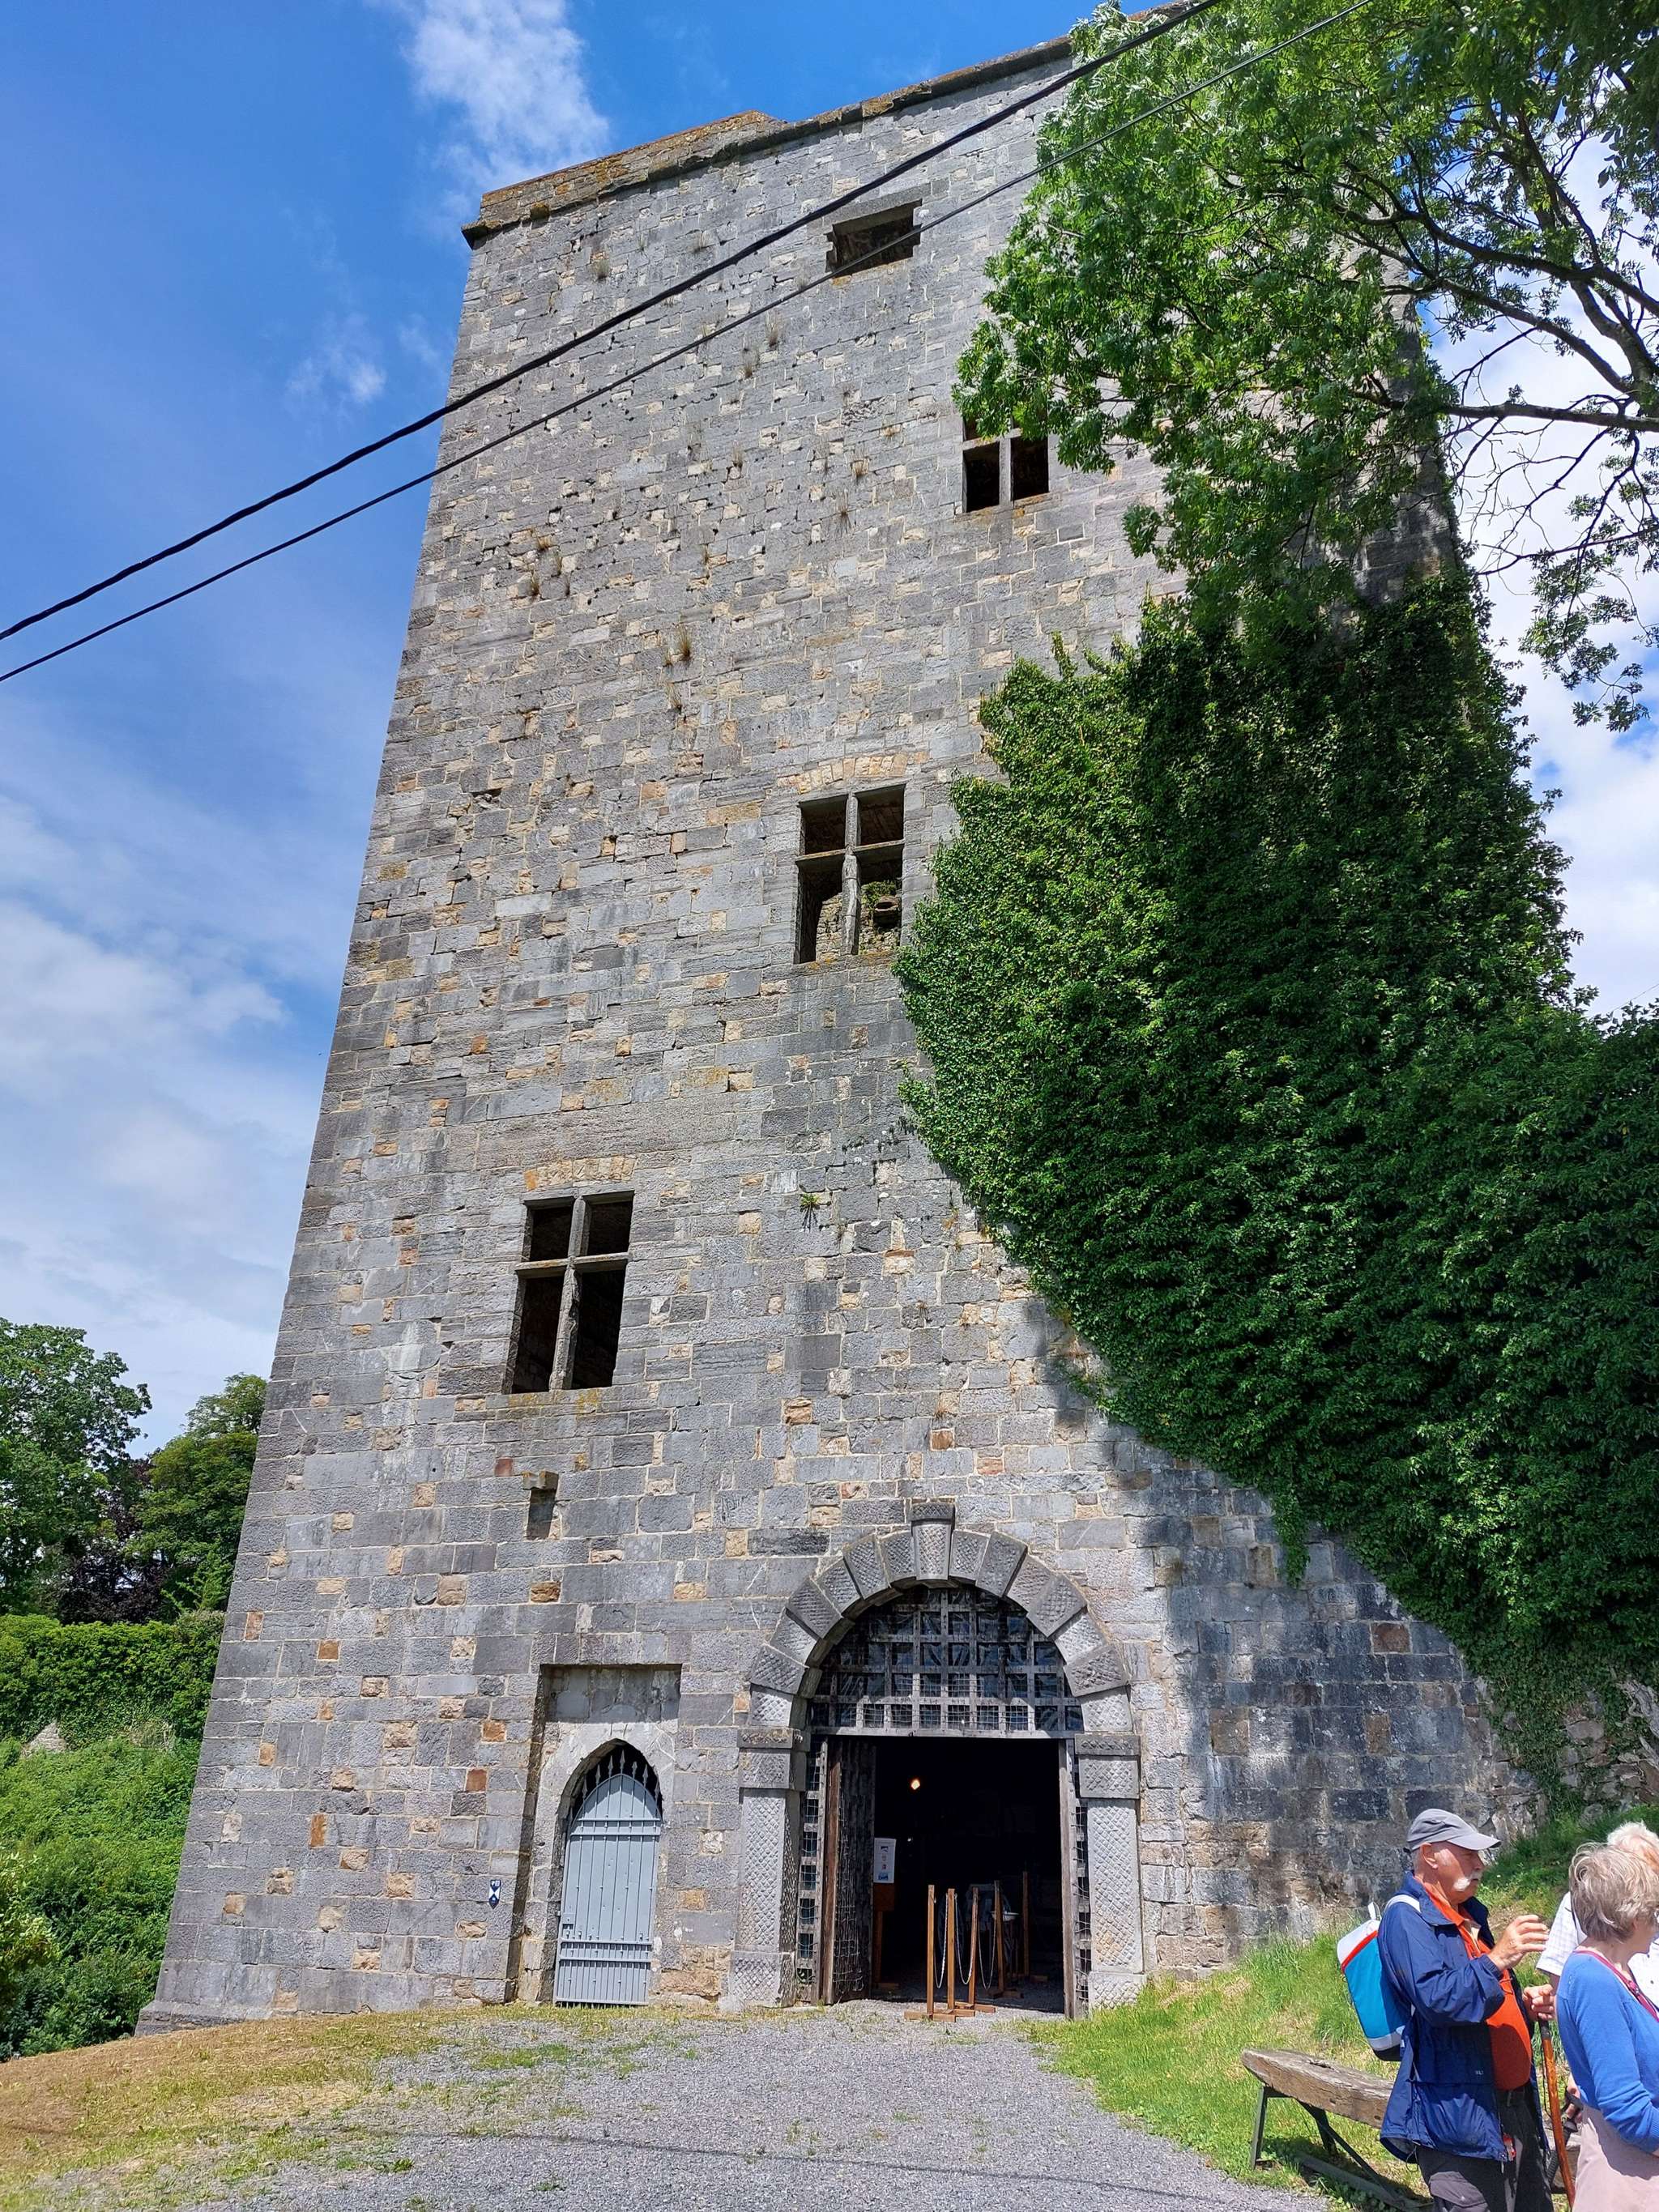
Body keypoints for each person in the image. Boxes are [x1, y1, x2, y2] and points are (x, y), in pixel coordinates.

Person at [1380, 1807, 1554, 2211]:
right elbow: (1437, 2000)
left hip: (1512, 2112)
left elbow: (1480, 2002)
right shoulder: (1406, 1917)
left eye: (1480, 1855)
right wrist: (1498, 1959)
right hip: (1459, 2121)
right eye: (1468, 1854)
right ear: (1429, 1854)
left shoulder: (1470, 1914)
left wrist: (1524, 2008)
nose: (1480, 1864)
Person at [1555, 1843, 1659, 2208]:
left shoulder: (1614, 1970)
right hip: (1630, 2174)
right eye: (1653, 1913)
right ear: (1632, 1920)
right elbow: (1626, 2107)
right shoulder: (1594, 1980)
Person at [1542, 1825, 1659, 2001]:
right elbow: (1560, 1975)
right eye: (1642, 1876)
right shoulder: (1579, 1903)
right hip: (1610, 2005)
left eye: (1655, 1875)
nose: (1651, 1885)